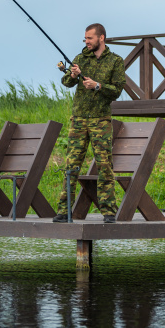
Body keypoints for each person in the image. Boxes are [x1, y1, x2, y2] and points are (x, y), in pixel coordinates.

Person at [53, 23, 125, 224]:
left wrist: (98, 85)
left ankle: (109, 212)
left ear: (101, 38)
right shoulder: (79, 59)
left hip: (101, 120)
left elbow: (117, 90)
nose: (86, 42)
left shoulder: (115, 61)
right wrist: (73, 75)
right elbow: (66, 82)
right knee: (71, 165)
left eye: (90, 38)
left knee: (104, 165)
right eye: (85, 39)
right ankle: (64, 211)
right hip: (78, 119)